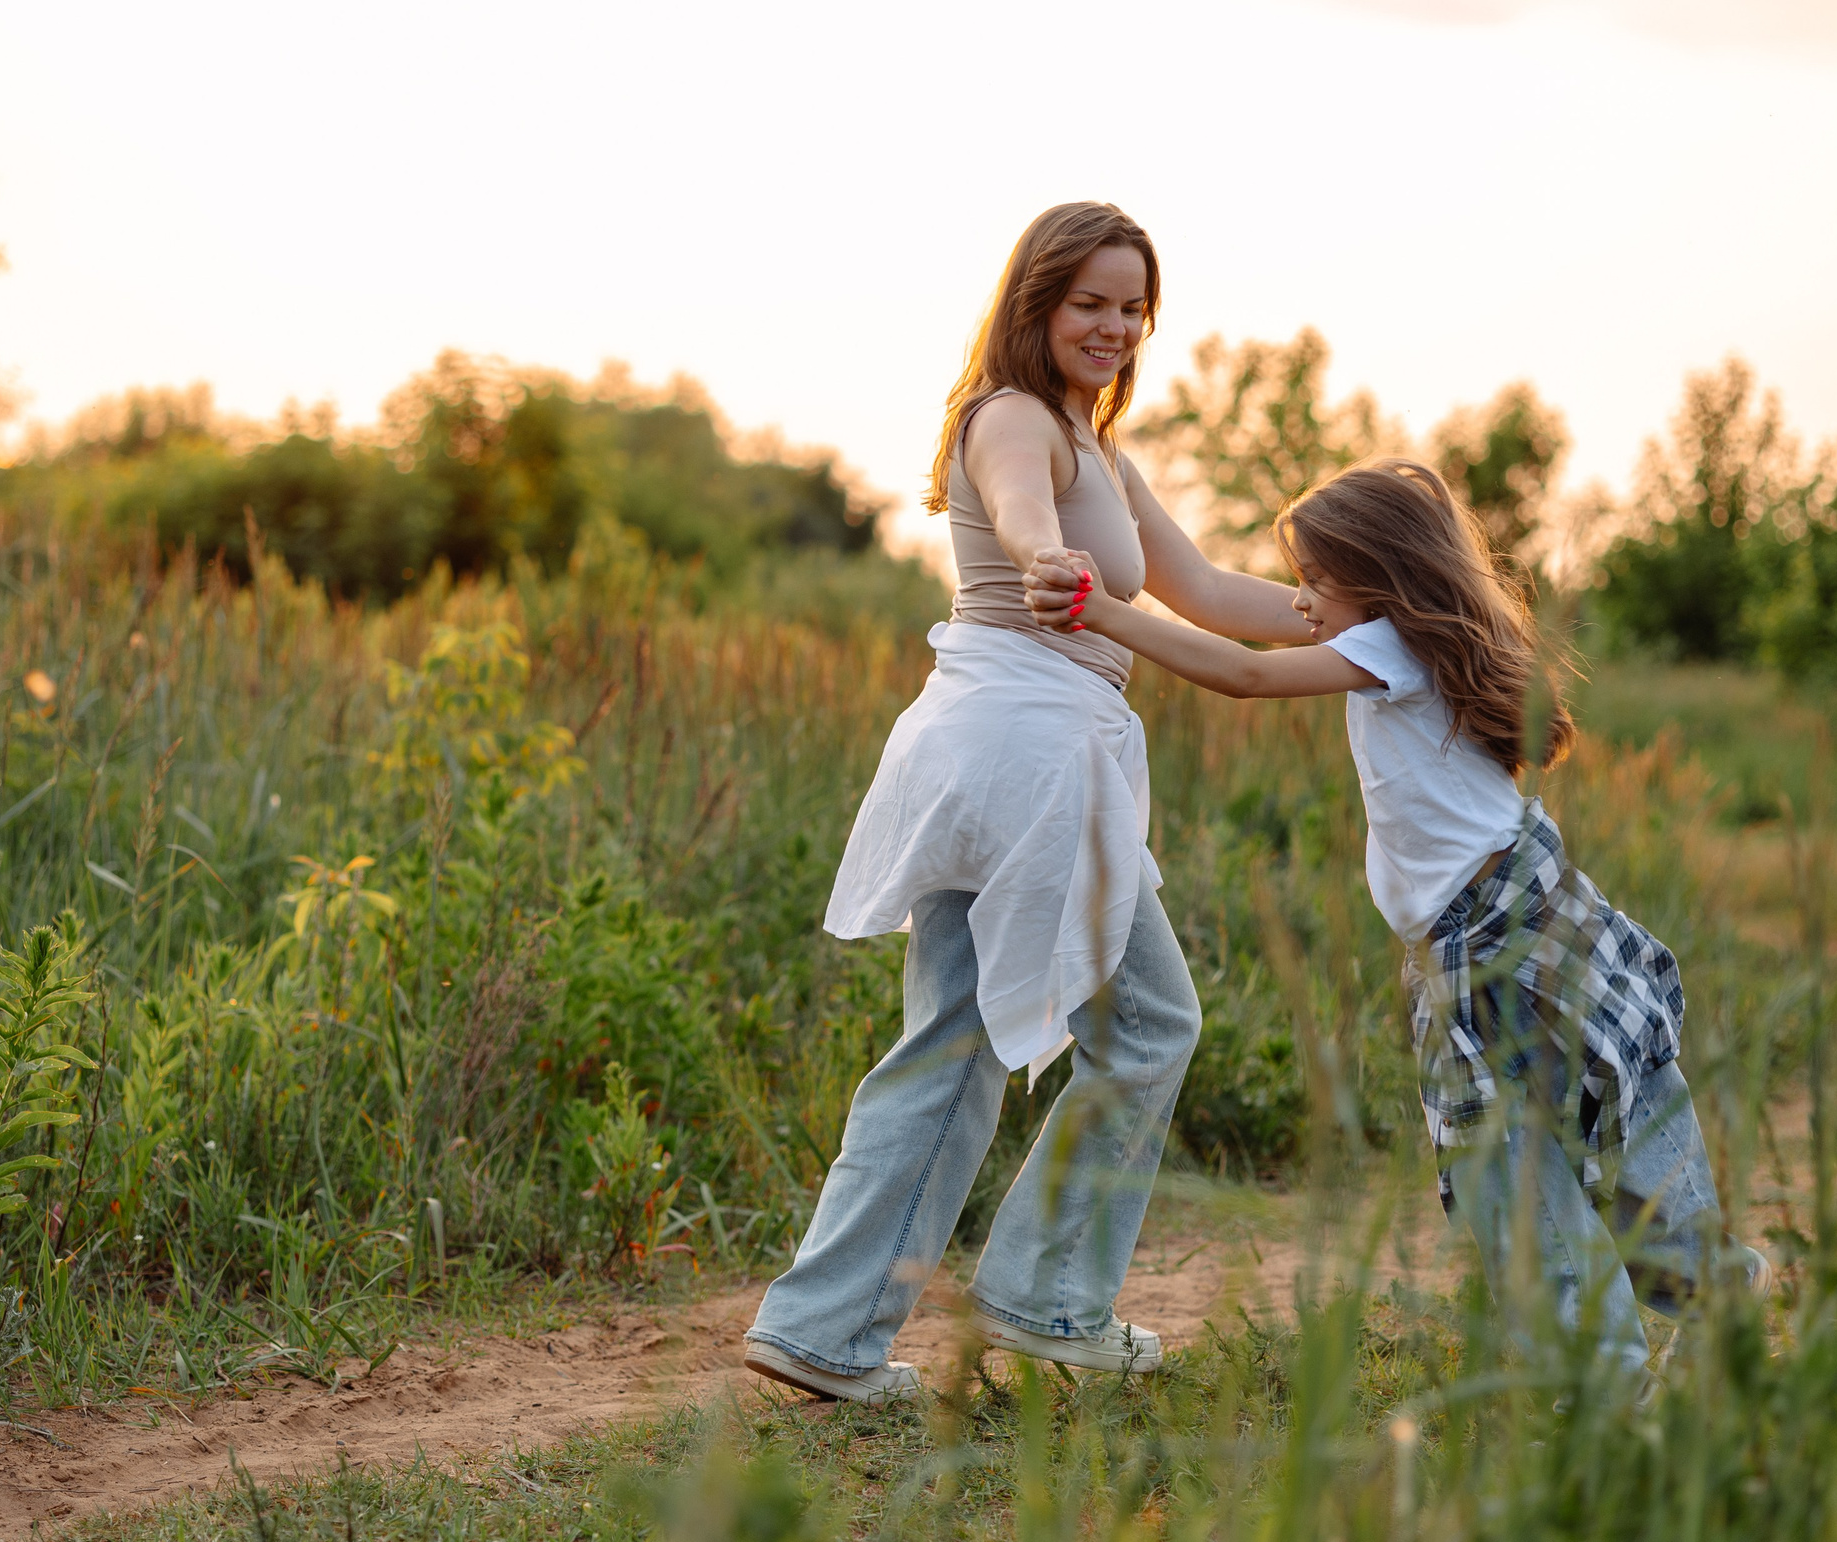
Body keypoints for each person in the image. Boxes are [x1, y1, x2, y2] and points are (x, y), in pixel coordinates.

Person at [1022, 458, 1770, 1383]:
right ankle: (1621, 1364)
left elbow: (1242, 676)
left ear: (1378, 578)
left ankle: (1690, 1316)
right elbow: (1214, 599)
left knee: (1571, 1135)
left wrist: (1099, 608)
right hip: (1480, 937)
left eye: (1316, 582)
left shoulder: (1389, 648)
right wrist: (1121, 481)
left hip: (1503, 930)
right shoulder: (1406, 637)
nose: (1302, 601)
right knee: (1540, 1148)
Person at [745, 202, 1309, 1404]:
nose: (1112, 326)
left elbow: (1208, 590)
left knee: (954, 1039)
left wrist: (1367, 609)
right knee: (1148, 1025)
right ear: (1035, 303)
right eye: (1089, 302)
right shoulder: (1013, 420)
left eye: (1131, 307)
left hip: (992, 751)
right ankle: (1045, 1299)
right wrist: (1045, 553)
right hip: (1032, 750)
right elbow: (1016, 508)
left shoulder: (1097, 444)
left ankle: (827, 1329)